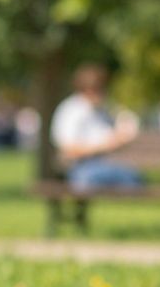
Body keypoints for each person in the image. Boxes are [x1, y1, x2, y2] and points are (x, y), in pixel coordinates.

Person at [49, 64, 142, 192]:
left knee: (133, 178)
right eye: (98, 89)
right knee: (89, 179)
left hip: (109, 163)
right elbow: (68, 150)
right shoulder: (71, 110)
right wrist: (104, 146)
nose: (102, 93)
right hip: (82, 167)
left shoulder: (104, 110)